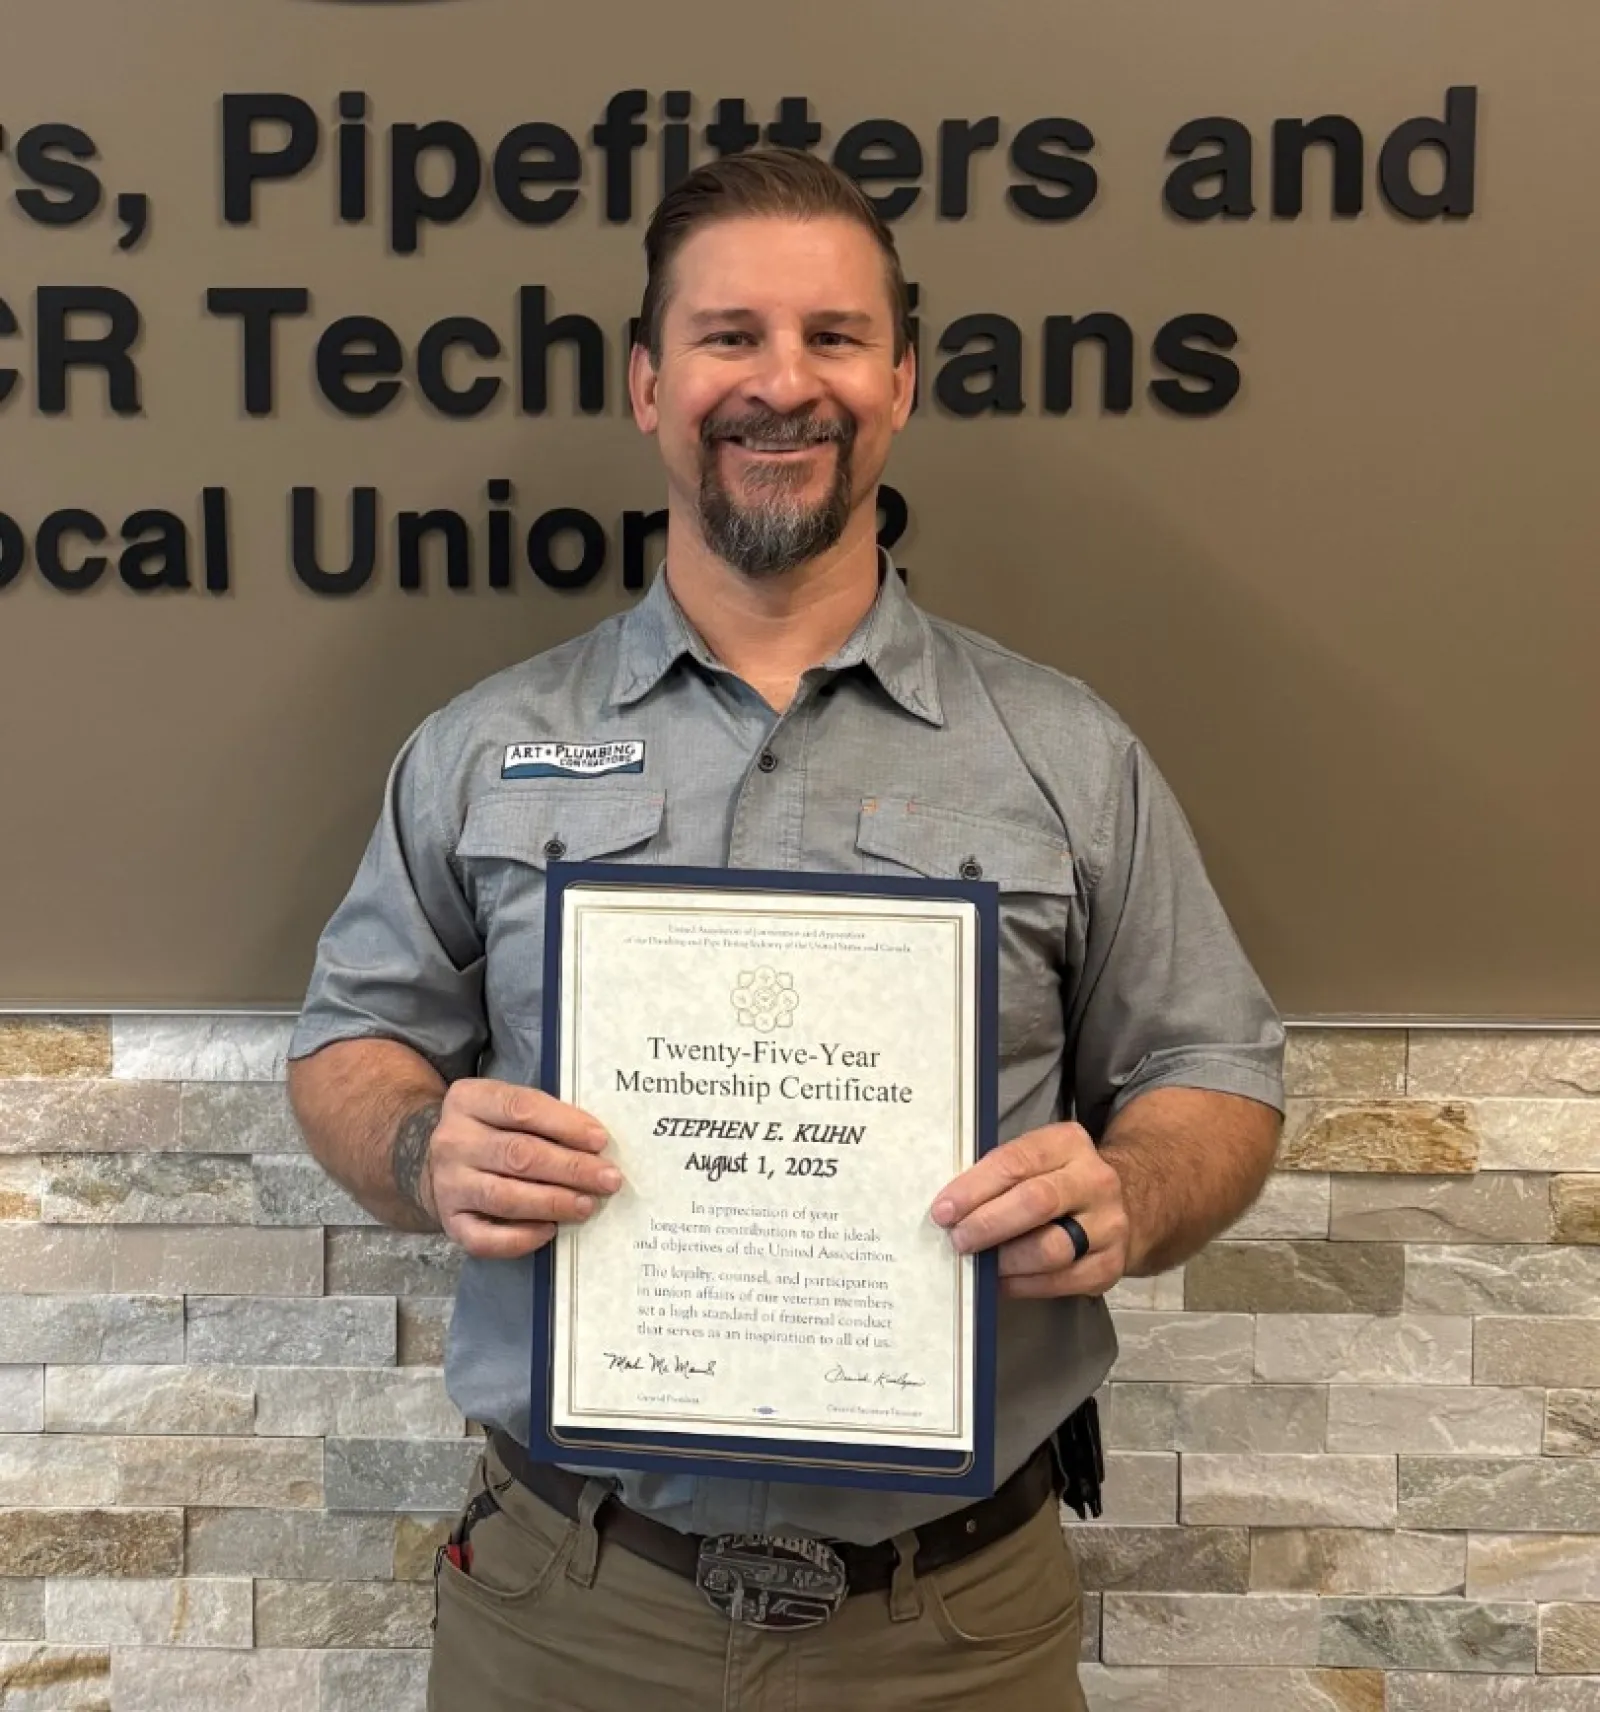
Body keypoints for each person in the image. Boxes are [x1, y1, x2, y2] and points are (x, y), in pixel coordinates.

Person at [287, 147, 1285, 1712]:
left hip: (952, 1627)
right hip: (572, 1608)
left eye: (831, 337)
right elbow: (351, 1038)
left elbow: (1216, 1065)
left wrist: (1133, 1195)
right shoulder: (486, 745)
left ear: (899, 379)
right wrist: (425, 1151)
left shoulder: (1063, 750)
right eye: (728, 336)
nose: (780, 383)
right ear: (648, 382)